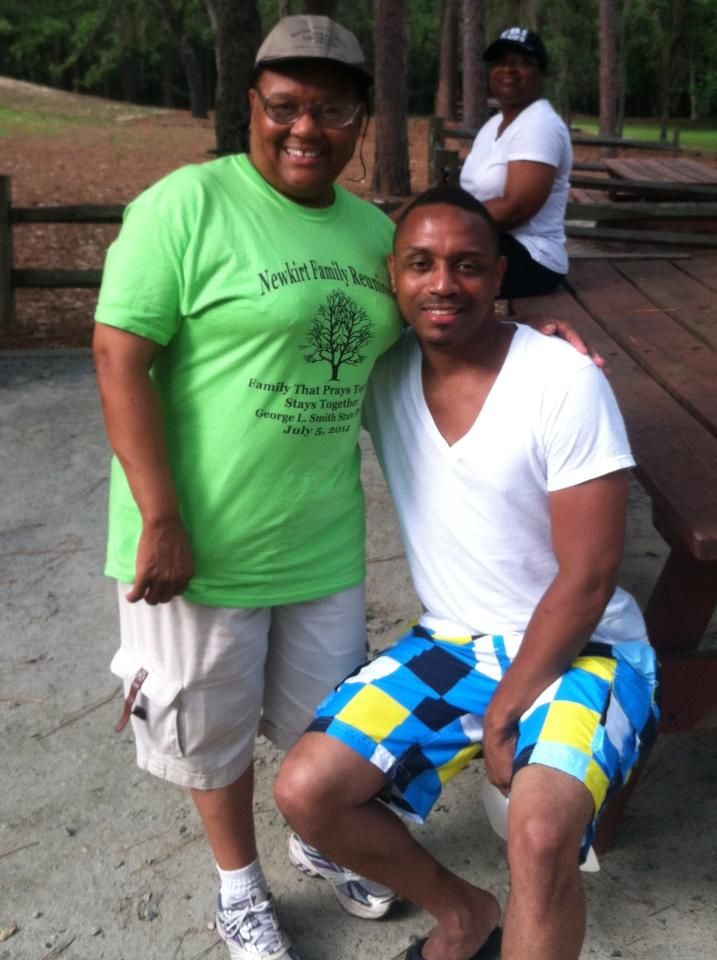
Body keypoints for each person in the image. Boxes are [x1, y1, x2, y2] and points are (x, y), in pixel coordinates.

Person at [274, 187, 659, 960]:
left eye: (467, 265)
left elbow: (588, 578)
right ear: (391, 276)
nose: (442, 284)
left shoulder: (562, 381)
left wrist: (506, 710)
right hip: (452, 642)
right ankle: (463, 915)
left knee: (539, 835)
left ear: (498, 276)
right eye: (420, 264)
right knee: (306, 791)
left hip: (586, 647)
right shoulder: (377, 372)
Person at [459, 27, 572, 299]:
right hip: (487, 239)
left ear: (542, 74)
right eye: (501, 61)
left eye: (523, 62)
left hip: (531, 257)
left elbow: (515, 210)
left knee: (419, 265)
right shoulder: (494, 124)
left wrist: (445, 222)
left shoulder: (539, 124)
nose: (509, 69)